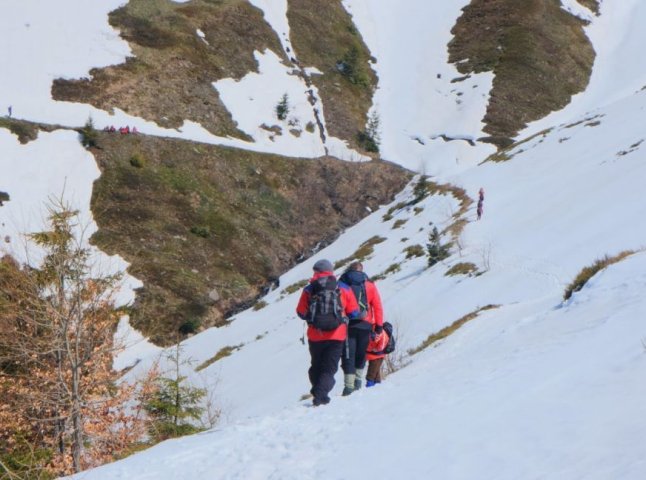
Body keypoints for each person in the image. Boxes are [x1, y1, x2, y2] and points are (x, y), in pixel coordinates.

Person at [296, 259, 360, 406]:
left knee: (316, 366)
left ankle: (319, 392)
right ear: (331, 271)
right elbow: (354, 312)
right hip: (337, 335)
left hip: (315, 335)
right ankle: (320, 395)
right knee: (329, 369)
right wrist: (343, 317)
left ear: (316, 272)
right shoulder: (342, 287)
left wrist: (312, 318)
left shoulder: (309, 289)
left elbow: (300, 312)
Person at [338, 261, 383, 396]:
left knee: (348, 355)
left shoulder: (343, 284)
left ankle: (348, 387)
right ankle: (358, 381)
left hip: (347, 325)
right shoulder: (369, 285)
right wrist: (379, 327)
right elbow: (377, 306)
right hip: (366, 324)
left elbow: (340, 305)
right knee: (361, 354)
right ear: (362, 271)